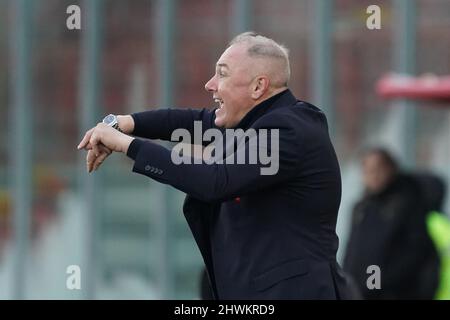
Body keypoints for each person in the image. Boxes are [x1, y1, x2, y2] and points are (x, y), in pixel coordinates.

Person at [78, 32, 352, 299]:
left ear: (258, 86)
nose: (210, 84)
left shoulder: (287, 130)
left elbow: (215, 181)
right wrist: (125, 122)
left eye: (222, 73)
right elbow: (190, 121)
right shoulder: (256, 123)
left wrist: (126, 145)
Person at [343, 147, 439, 299]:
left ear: (391, 169)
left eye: (378, 169)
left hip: (394, 293)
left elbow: (414, 252)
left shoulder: (407, 203)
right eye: (367, 170)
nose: (373, 175)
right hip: (363, 291)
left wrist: (377, 283)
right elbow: (353, 250)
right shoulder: (361, 208)